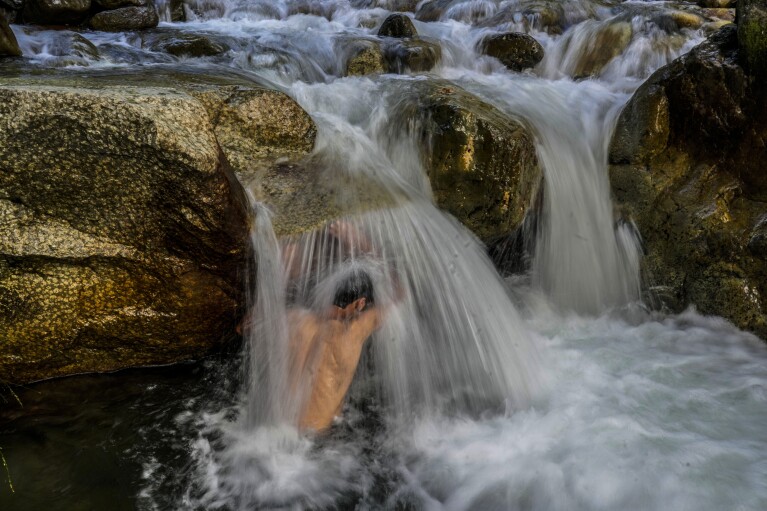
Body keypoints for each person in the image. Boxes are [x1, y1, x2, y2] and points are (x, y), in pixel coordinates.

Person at [287, 268, 384, 432]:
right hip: (320, 437)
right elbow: (398, 298)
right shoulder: (355, 331)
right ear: (360, 304)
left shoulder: (295, 319)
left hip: (283, 430)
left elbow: (249, 324)